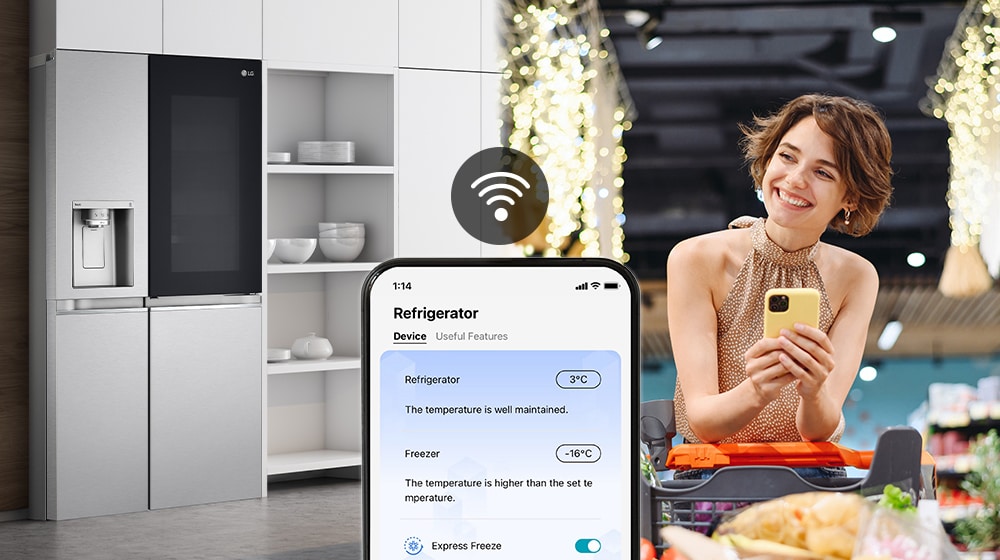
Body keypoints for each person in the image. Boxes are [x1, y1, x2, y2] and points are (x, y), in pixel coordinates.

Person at [666, 94, 894, 477]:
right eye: (787, 156)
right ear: (768, 159)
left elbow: (822, 431)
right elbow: (702, 420)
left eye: (824, 172)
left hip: (812, 479)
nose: (795, 179)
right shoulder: (696, 258)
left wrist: (814, 389)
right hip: (710, 481)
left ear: (851, 196)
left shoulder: (856, 276)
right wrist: (758, 390)